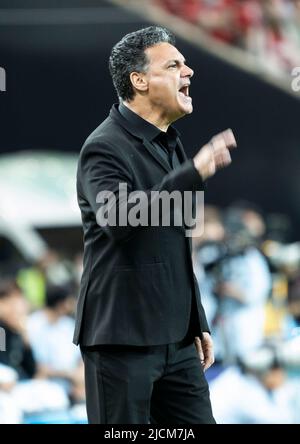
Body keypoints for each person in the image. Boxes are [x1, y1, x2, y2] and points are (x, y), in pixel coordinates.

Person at [74, 26, 237, 424]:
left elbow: (177, 243)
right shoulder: (104, 145)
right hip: (122, 339)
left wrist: (196, 320)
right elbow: (118, 217)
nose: (189, 71)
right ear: (140, 80)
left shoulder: (170, 143)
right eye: (174, 64)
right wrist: (192, 172)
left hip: (178, 339)